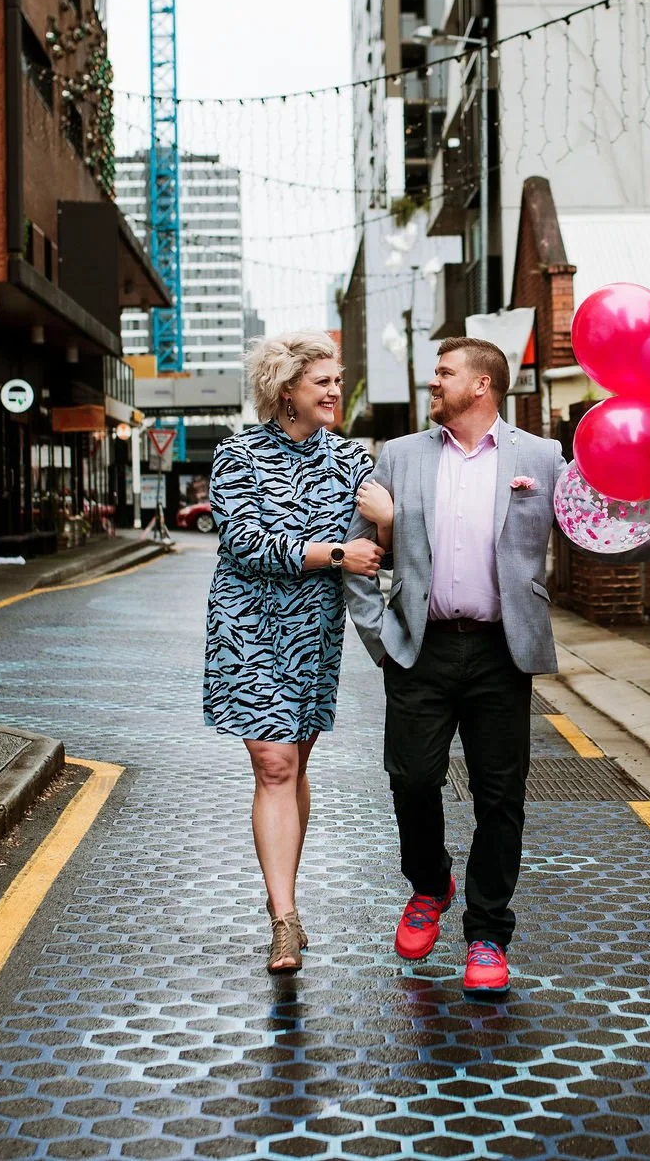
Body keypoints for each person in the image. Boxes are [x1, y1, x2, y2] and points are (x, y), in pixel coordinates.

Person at [344, 337, 569, 998]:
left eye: (444, 372)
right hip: (421, 645)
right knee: (411, 778)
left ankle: (488, 935)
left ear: (483, 385)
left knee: (501, 795)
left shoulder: (542, 457)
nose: (432, 381)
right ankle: (429, 881)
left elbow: (600, 528)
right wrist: (379, 635)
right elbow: (361, 548)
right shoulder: (400, 456)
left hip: (504, 650)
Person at [203, 331, 384, 973]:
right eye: (324, 381)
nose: (337, 391)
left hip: (314, 630)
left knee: (295, 763)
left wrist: (388, 519)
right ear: (287, 390)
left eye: (338, 380)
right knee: (273, 765)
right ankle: (283, 918)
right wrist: (334, 555)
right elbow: (246, 542)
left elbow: (388, 529)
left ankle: (288, 896)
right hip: (248, 625)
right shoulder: (237, 455)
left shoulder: (353, 461)